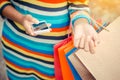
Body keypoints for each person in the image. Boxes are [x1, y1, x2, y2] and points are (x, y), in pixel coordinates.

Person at [0, 0, 100, 80]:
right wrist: (21, 18)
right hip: (16, 50)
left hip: (52, 57)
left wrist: (81, 23)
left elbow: (78, 4)